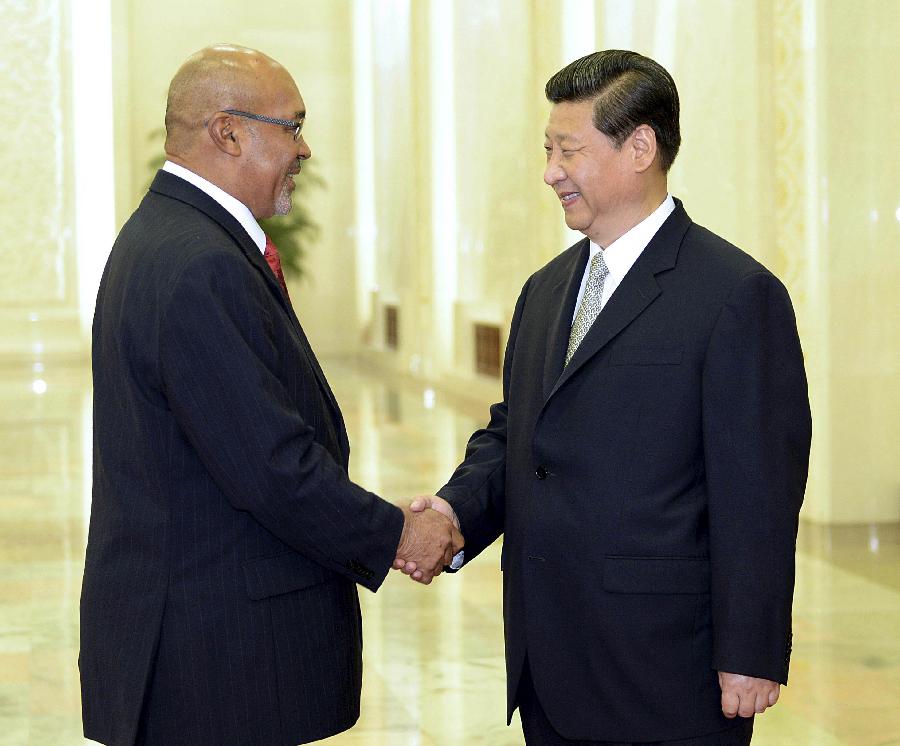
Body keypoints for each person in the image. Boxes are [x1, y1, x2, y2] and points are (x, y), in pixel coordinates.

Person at [397, 50, 811, 745]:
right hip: (549, 664)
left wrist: (751, 651)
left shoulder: (735, 294)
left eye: (570, 150)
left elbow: (760, 492)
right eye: (547, 149)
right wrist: (452, 512)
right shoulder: (545, 289)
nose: (550, 171)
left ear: (640, 147)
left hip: (665, 669)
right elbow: (516, 437)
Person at [79, 44, 462, 746]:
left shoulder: (167, 238)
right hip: (217, 663)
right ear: (227, 132)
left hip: (196, 652)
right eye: (291, 126)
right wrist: (399, 535)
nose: (305, 149)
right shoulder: (199, 264)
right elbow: (272, 469)